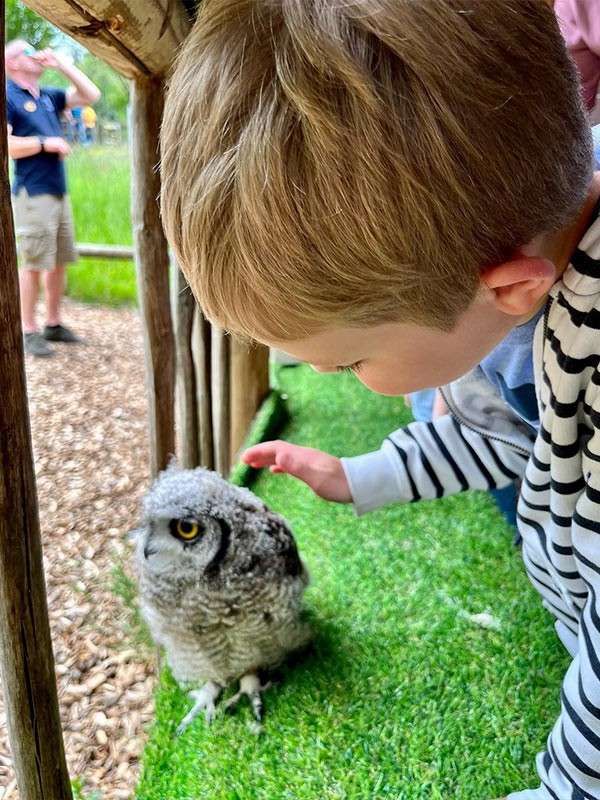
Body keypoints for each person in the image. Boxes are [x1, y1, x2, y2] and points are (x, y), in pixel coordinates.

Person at [159, 3, 600, 799]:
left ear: (512, 289)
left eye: (353, 360)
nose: (334, 380)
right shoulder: (507, 270)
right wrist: (360, 475)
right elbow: (506, 432)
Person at [5, 41, 101, 357]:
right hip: (32, 192)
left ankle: (53, 323)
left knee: (58, 260)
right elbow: (7, 144)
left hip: (58, 190)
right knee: (33, 262)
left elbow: (91, 95)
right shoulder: (8, 96)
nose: (36, 56)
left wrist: (62, 65)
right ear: (12, 63)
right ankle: (28, 329)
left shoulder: (48, 96)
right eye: (27, 53)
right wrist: (46, 143)